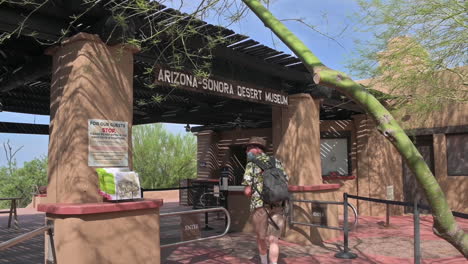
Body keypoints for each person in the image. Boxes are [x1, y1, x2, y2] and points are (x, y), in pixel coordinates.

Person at [242, 136, 289, 264]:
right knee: (274, 240)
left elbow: (247, 191)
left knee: (261, 238)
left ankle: (264, 262)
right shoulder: (276, 161)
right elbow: (286, 180)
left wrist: (250, 190)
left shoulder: (251, 164)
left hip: (260, 206)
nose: (246, 152)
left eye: (247, 149)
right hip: (278, 204)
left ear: (255, 149)